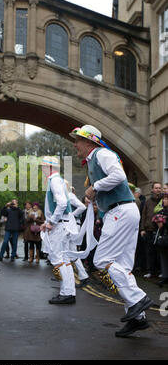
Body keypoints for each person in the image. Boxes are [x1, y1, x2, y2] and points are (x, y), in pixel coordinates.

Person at [70, 124, 152, 338]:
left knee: (102, 260)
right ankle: (137, 318)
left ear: (89, 142)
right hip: (124, 211)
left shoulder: (102, 153)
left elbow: (118, 176)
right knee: (123, 266)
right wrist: (93, 195)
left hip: (120, 212)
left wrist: (95, 188)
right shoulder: (95, 159)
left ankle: (138, 298)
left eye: (78, 139)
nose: (75, 143)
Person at [40, 156, 77, 305]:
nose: (42, 169)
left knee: (57, 259)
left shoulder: (54, 180)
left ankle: (66, 293)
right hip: (64, 224)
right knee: (65, 259)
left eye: (43, 166)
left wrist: (52, 222)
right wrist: (48, 221)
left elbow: (61, 203)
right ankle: (69, 292)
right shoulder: (59, 180)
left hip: (60, 225)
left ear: (49, 167)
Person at [140, 182, 162, 278]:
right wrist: (142, 229)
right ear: (152, 190)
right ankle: (150, 271)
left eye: (159, 188)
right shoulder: (148, 202)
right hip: (148, 229)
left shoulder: (163, 201)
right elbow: (143, 215)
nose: (158, 190)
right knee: (149, 252)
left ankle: (160, 271)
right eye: (156, 188)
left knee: (159, 253)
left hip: (159, 230)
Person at [152, 193, 168, 287]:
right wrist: (157, 222)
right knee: (163, 257)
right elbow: (155, 224)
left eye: (166, 199)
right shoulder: (162, 211)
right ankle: (165, 276)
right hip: (163, 238)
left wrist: (164, 223)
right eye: (164, 199)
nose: (164, 201)